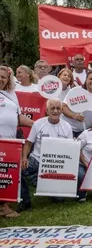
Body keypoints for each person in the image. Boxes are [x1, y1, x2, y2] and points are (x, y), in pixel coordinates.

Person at [17, 98, 73, 213]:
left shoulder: (67, 126)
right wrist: (24, 158)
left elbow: (70, 148)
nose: (56, 111)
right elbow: (28, 143)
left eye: (58, 108)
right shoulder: (38, 124)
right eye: (52, 108)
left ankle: (37, 180)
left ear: (62, 111)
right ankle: (25, 202)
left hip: (56, 164)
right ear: (47, 110)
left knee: (59, 199)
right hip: (36, 159)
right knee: (19, 170)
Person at [0, 65, 33, 218]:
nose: (1, 79)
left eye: (3, 77)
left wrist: (35, 125)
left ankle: (4, 206)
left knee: (6, 174)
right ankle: (4, 208)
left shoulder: (11, 94)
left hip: (10, 142)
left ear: (7, 80)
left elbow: (18, 117)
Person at [62, 70, 92, 137]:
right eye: (90, 79)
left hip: (86, 132)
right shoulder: (76, 91)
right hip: (69, 129)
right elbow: (63, 107)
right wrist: (73, 115)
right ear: (86, 80)